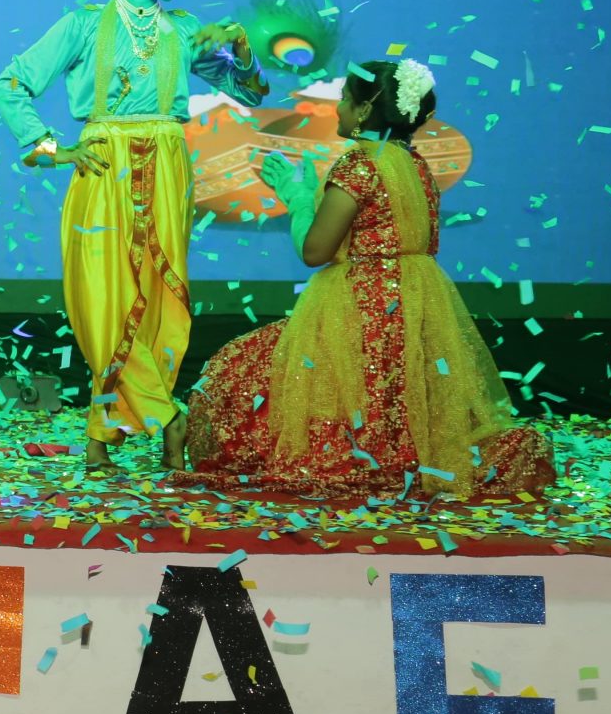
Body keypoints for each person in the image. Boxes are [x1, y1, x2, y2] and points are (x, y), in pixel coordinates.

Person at [186, 59, 553, 502]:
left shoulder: (359, 166)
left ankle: (362, 459)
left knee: (237, 370)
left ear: (363, 111)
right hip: (410, 311)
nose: (337, 108)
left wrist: (296, 198)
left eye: (344, 99)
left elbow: (315, 252)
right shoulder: (415, 164)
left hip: (360, 310)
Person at [0, 0, 267, 470]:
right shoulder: (84, 24)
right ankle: (167, 416)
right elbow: (10, 84)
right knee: (102, 301)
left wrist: (241, 50)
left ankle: (102, 436)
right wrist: (53, 149)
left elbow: (251, 93)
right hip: (103, 165)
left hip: (166, 165)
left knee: (157, 301)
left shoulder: (184, 30)